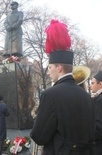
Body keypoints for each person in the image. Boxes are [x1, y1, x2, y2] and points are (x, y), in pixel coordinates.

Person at [30, 19, 94, 155]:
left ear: (59, 67)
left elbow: (39, 136)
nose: (48, 72)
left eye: (50, 67)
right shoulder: (86, 95)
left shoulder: (50, 94)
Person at [90, 71, 102, 155]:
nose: (90, 86)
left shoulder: (100, 100)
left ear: (100, 84)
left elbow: (98, 128)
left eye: (93, 83)